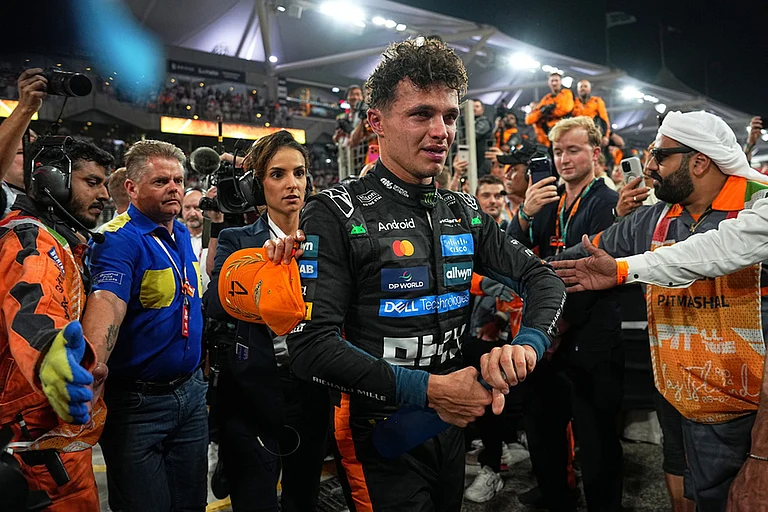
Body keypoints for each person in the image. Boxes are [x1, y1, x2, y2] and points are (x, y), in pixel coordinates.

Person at [283, 38, 566, 512]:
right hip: (380, 429)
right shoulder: (334, 212)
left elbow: (545, 280)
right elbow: (310, 348)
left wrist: (525, 348)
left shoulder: (462, 209)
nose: (441, 131)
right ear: (376, 122)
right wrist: (431, 390)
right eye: (421, 114)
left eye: (450, 116)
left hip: (450, 423)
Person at [550, 111, 768, 512]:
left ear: (698, 162)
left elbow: (712, 253)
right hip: (676, 392)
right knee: (683, 480)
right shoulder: (655, 217)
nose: (648, 167)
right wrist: (521, 270)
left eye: (660, 156)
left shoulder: (758, 207)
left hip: (747, 413)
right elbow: (584, 254)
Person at [203, 130, 330, 512]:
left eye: (299, 172)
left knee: (303, 499)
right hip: (250, 395)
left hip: (313, 391)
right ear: (259, 186)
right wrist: (262, 272)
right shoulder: (238, 240)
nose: (292, 183)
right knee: (253, 501)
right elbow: (216, 304)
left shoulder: (330, 238)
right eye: (278, 174)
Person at [82, 140, 208, 512]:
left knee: (191, 505)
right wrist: (94, 366)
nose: (174, 188)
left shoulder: (181, 233)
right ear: (132, 188)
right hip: (138, 406)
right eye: (160, 181)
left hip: (191, 396)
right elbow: (107, 300)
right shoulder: (116, 240)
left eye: (178, 180)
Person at [508, 115, 623, 511]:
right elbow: (509, 254)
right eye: (558, 152)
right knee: (542, 428)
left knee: (596, 436)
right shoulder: (547, 200)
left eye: (573, 150)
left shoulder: (607, 202)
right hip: (550, 333)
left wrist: (553, 331)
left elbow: (594, 273)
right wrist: (523, 213)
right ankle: (556, 496)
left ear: (594, 152)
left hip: (589, 336)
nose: (563, 160)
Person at [0, 138, 113, 510]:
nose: (104, 195)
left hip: (50, 438)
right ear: (52, 181)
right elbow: (33, 307)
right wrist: (52, 355)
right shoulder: (31, 240)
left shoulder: (63, 240)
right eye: (92, 182)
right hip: (34, 442)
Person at [1, 68, 45, 216]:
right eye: (20, 152)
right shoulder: (5, 199)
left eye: (37, 152)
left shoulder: (55, 201)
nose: (31, 158)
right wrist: (25, 108)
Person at [525, 73, 574, 147]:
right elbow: (529, 120)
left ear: (560, 82)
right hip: (549, 136)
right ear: (549, 82)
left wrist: (548, 112)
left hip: (565, 131)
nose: (554, 83)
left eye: (556, 80)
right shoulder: (546, 98)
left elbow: (565, 109)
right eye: (552, 81)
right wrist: (542, 112)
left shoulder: (566, 93)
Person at [181, 187, 209, 292]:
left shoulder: (215, 239)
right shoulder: (173, 238)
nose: (192, 213)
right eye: (187, 208)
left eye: (197, 208)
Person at [572, 80, 610, 148]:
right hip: (578, 133)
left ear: (590, 89)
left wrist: (606, 136)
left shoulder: (597, 101)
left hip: (594, 132)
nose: (583, 88)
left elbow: (604, 119)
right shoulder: (573, 102)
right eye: (581, 87)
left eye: (585, 86)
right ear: (577, 89)